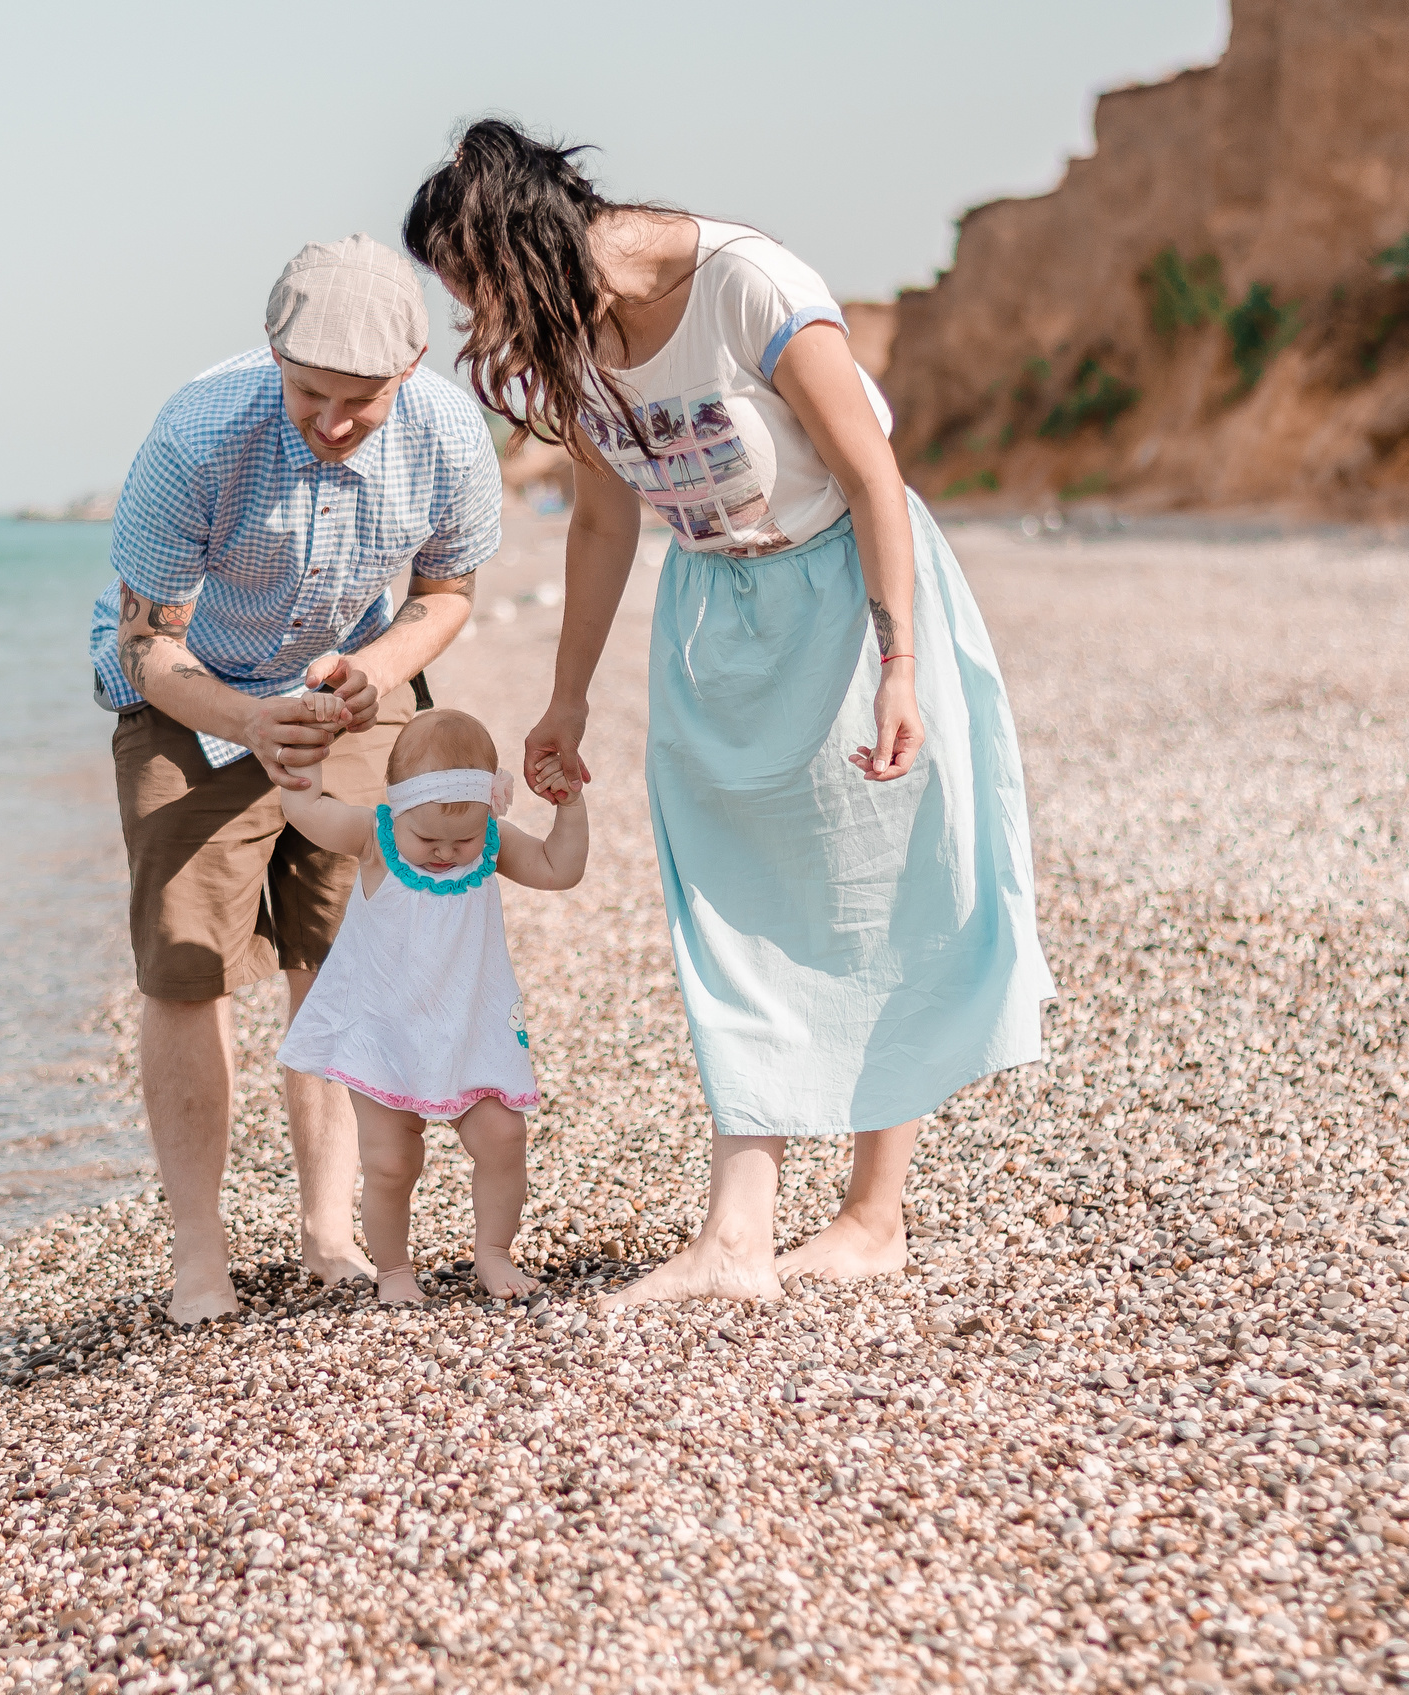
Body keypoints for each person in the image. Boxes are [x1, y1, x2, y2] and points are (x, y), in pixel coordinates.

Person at [402, 120, 1054, 1308]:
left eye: (472, 292)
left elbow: (869, 475)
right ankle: (739, 1235)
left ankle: (871, 1217)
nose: (475, 327)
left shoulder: (749, 285)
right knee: (729, 905)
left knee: (877, 888)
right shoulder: (569, 336)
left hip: (848, 592)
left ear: (520, 245)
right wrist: (565, 699)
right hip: (715, 615)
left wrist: (900, 662)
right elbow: (602, 522)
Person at [88, 235, 503, 1323]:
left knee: (340, 952)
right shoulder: (196, 435)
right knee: (187, 969)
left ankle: (329, 1234)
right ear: (274, 354)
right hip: (194, 698)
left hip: (353, 686)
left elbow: (447, 593)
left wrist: (374, 673)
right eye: (310, 393)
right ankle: (199, 1259)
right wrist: (246, 722)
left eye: (360, 401)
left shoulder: (451, 433)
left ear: (408, 372)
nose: (332, 421)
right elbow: (144, 645)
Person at [273, 710, 590, 1306]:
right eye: (429, 840)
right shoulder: (376, 835)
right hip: (384, 1034)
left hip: (471, 1027)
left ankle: (493, 1252)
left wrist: (568, 806)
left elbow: (559, 869)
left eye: (462, 839)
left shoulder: (490, 846)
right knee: (391, 1159)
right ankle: (393, 1270)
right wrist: (305, 759)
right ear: (396, 811)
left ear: (486, 816)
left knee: (503, 1136)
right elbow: (306, 810)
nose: (446, 852)